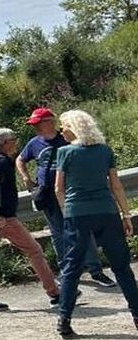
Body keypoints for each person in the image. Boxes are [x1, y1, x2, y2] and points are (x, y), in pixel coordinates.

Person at [54, 110, 138, 338]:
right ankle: (137, 315)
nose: (61, 131)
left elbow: (58, 189)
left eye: (64, 126)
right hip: (107, 211)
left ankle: (65, 320)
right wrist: (126, 215)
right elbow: (116, 185)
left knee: (72, 268)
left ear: (73, 127)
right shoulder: (104, 151)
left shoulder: (64, 152)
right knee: (121, 267)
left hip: (77, 214)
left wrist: (66, 211)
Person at [0, 128, 66, 311]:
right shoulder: (2, 162)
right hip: (2, 218)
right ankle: (55, 293)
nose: (17, 142)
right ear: (6, 143)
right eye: (14, 139)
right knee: (35, 250)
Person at [18, 107, 114, 288]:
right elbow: (20, 159)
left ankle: (96, 271)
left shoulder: (68, 138)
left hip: (71, 192)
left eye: (39, 123)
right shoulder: (34, 143)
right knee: (57, 233)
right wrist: (25, 177)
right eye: (34, 124)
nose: (35, 127)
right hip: (47, 194)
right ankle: (67, 271)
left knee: (83, 230)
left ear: (50, 122)